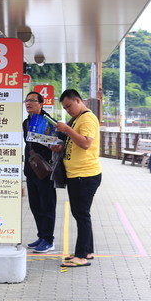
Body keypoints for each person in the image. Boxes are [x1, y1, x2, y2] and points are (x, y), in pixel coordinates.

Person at [53, 89, 101, 268]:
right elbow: (75, 142)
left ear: (78, 100)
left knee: (81, 215)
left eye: (69, 106)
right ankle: (86, 250)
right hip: (77, 174)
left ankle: (81, 256)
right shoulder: (78, 119)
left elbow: (86, 143)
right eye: (65, 108)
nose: (68, 110)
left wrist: (66, 129)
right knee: (82, 214)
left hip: (85, 175)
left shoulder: (87, 118)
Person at [22, 91, 57, 253]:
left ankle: (49, 240)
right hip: (31, 170)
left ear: (41, 104)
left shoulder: (48, 121)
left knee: (47, 205)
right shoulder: (26, 122)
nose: (28, 103)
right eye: (26, 100)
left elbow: (58, 140)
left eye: (32, 100)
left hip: (46, 170)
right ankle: (41, 236)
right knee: (35, 205)